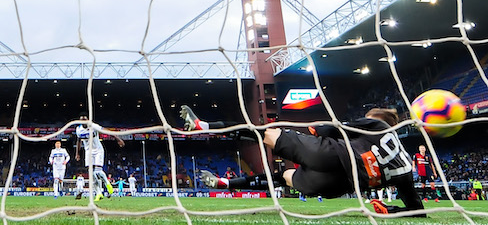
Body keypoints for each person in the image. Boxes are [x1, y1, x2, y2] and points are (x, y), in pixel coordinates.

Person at [183, 106, 425, 216]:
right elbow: (417, 211)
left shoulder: (377, 124)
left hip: (330, 154)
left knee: (265, 133)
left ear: (378, 119)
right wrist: (391, 210)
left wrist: (311, 131)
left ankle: (202, 126)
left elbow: (336, 128)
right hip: (333, 186)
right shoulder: (406, 168)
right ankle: (227, 184)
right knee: (283, 178)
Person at [74, 114, 125, 202]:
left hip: (98, 150)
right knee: (91, 173)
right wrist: (77, 153)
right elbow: (78, 141)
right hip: (88, 152)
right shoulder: (78, 130)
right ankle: (98, 193)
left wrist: (118, 139)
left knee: (98, 171)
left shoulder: (93, 126)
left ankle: (108, 184)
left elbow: (106, 131)